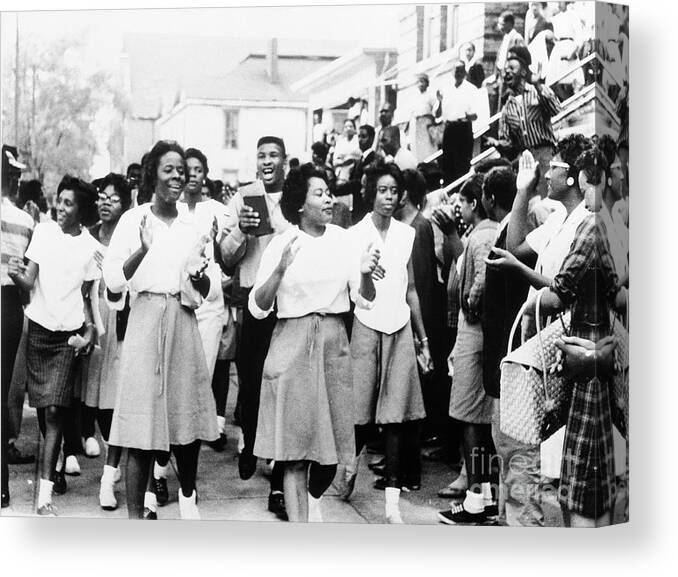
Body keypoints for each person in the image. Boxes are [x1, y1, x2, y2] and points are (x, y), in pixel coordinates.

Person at [249, 163, 377, 522]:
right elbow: (258, 307)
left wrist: (366, 274)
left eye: (329, 192)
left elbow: (365, 298)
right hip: (291, 345)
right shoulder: (282, 243)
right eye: (319, 193)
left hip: (333, 346)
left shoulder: (344, 239)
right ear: (300, 204)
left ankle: (311, 503)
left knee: (331, 454)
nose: (328, 199)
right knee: (294, 453)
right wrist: (279, 270)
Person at [103, 140, 219, 520]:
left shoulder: (193, 223)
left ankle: (188, 501)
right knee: (139, 427)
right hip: (145, 319)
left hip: (183, 320)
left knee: (185, 421)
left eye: (181, 171)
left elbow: (207, 289)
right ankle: (136, 520)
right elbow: (114, 281)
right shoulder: (132, 220)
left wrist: (200, 276)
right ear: (153, 173)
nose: (177, 176)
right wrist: (142, 249)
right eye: (169, 169)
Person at [525, 146, 627, 526]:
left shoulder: (590, 224)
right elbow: (616, 286)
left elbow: (562, 290)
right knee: (599, 472)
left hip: (586, 360)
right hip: (604, 355)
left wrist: (522, 280)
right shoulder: (612, 224)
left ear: (583, 178)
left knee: (581, 475)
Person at [342, 162, 432, 524]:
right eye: (382, 190)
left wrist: (423, 338)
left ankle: (392, 503)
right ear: (371, 193)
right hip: (365, 326)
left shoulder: (406, 235)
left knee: (396, 419)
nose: (389, 197)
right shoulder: (354, 235)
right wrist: (366, 274)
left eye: (394, 191)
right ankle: (350, 464)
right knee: (360, 416)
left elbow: (410, 290)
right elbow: (357, 295)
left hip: (399, 329)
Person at [8, 175, 100, 516]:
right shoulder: (44, 233)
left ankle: (44, 496)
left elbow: (88, 297)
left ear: (81, 210)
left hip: (68, 337)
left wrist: (90, 331)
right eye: (58, 201)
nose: (60, 208)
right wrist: (15, 272)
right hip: (39, 333)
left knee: (54, 411)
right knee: (46, 408)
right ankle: (55, 469)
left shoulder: (90, 246)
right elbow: (29, 281)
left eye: (68, 203)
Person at [219, 136, 291, 520]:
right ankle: (249, 441)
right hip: (252, 299)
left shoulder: (296, 195)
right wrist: (243, 231)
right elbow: (226, 259)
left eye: (273, 155)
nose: (266, 161)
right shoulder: (244, 197)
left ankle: (279, 480)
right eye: (261, 154)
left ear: (285, 161)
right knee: (249, 381)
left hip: (290, 300)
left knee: (281, 386)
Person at [436, 173, 499, 525]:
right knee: (470, 418)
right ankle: (482, 494)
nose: (457, 206)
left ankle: (477, 496)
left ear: (477, 202)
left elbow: (480, 282)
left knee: (471, 419)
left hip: (475, 336)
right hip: (469, 335)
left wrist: (472, 303)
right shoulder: (473, 234)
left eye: (462, 201)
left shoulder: (484, 233)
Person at [79, 173, 133, 510]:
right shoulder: (87, 240)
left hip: (124, 325)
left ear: (125, 204)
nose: (105, 202)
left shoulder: (129, 238)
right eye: (101, 195)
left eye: (113, 198)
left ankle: (108, 477)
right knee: (93, 402)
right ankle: (86, 449)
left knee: (118, 404)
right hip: (94, 326)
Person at [395, 169, 448, 450]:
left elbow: (420, 284)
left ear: (404, 194)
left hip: (418, 321)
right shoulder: (412, 225)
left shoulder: (418, 227)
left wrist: (419, 331)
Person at [1, 145, 35, 508]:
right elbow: (27, 275)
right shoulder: (26, 221)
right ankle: (1, 482)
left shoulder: (25, 220)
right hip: (7, 305)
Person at [487, 45, 561, 205]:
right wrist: (498, 144)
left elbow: (555, 109)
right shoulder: (507, 107)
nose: (507, 72)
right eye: (505, 69)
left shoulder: (536, 91)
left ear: (522, 71)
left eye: (512, 68)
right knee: (529, 203)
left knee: (547, 200)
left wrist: (540, 85)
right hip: (525, 158)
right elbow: (508, 143)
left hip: (545, 154)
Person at [437, 61, 480, 183]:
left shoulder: (471, 89)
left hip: (463, 129)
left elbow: (475, 115)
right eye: (456, 71)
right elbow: (437, 115)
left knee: (462, 165)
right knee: (447, 164)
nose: (458, 73)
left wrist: (467, 115)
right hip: (449, 129)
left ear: (465, 72)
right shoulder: (446, 89)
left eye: (461, 70)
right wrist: (439, 101)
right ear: (452, 72)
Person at [334, 124, 376, 225]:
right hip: (357, 204)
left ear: (372, 139)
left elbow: (357, 183)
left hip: (364, 207)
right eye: (359, 136)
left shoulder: (372, 159)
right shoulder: (361, 158)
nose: (360, 140)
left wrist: (337, 189)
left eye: (364, 137)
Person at [409, 73, 440, 162]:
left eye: (423, 82)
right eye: (419, 82)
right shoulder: (415, 97)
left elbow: (435, 112)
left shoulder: (430, 96)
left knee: (427, 147)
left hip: (426, 124)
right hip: (416, 125)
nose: (421, 84)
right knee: (417, 148)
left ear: (427, 84)